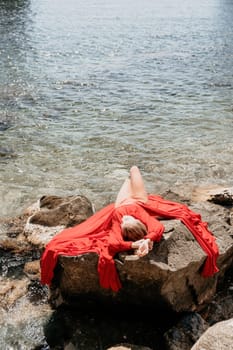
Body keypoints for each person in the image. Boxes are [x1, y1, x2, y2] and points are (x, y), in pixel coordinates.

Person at [40, 166, 219, 292]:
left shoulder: (122, 218)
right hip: (138, 200)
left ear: (124, 227)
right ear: (135, 220)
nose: (125, 219)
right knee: (134, 172)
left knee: (131, 173)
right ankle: (131, 171)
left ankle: (129, 172)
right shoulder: (133, 212)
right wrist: (145, 240)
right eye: (128, 220)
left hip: (122, 204)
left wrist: (138, 244)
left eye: (124, 222)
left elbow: (113, 243)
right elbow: (157, 226)